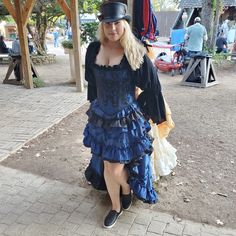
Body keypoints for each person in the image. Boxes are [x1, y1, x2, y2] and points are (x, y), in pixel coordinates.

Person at [83, 2, 166, 229]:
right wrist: (94, 107)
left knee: (116, 167)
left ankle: (127, 189)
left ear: (125, 24)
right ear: (102, 25)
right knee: (109, 165)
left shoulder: (134, 50)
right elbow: (92, 83)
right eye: (107, 23)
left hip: (124, 120)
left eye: (117, 23)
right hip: (102, 119)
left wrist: (141, 110)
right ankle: (115, 206)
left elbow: (152, 85)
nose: (112, 28)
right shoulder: (93, 50)